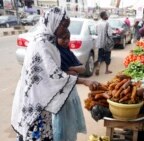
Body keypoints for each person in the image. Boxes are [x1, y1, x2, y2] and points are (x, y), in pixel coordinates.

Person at [12, 7, 99, 141]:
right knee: (36, 133)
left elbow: (55, 69)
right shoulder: (41, 43)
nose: (65, 30)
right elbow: (54, 75)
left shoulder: (50, 40)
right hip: (35, 100)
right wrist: (85, 81)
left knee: (46, 132)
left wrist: (68, 71)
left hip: (44, 100)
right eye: (63, 26)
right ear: (53, 21)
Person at [53, 29, 86, 141]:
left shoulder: (69, 52)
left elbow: (82, 68)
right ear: (56, 39)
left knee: (70, 122)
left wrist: (71, 69)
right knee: (60, 126)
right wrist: (70, 72)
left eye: (68, 38)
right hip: (60, 96)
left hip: (71, 94)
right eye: (63, 38)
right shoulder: (55, 53)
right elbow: (61, 75)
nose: (66, 41)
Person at [95, 11, 113, 75]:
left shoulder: (98, 23)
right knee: (108, 56)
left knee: (100, 56)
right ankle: (106, 70)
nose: (107, 16)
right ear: (103, 16)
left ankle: (98, 67)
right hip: (106, 43)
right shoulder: (107, 23)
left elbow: (96, 33)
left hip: (99, 43)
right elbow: (110, 34)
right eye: (106, 15)